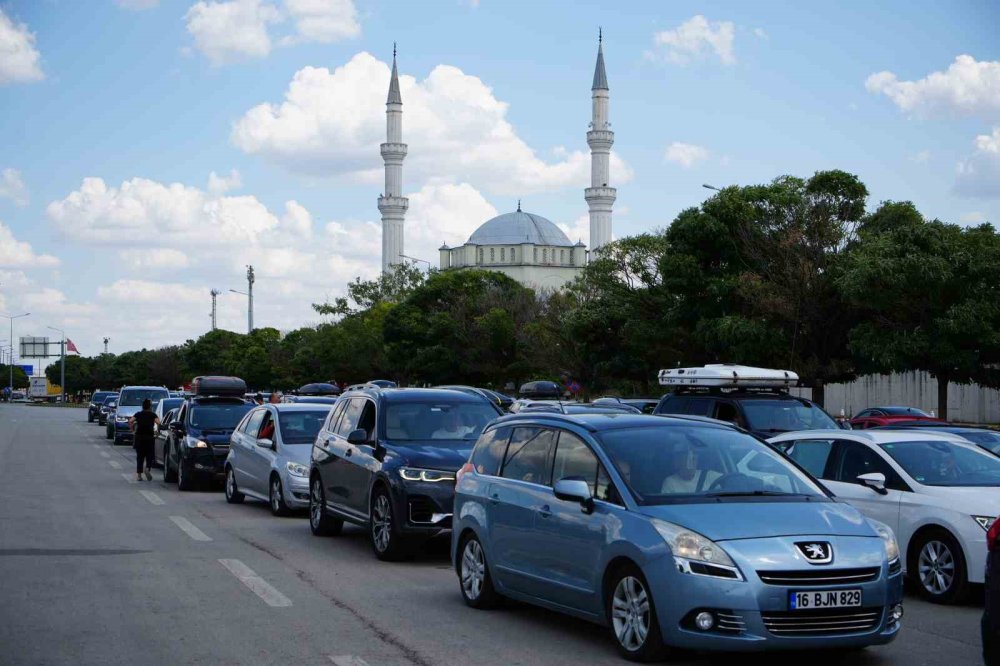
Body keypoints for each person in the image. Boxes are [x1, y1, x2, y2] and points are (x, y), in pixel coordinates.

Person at [129, 399, 159, 481]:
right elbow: (158, 423)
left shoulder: (138, 414)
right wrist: (157, 433)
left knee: (140, 457)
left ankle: (139, 475)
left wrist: (133, 431)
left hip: (139, 438)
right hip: (149, 438)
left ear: (143, 406)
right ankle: (148, 468)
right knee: (150, 455)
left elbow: (130, 421)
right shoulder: (153, 415)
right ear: (150, 406)